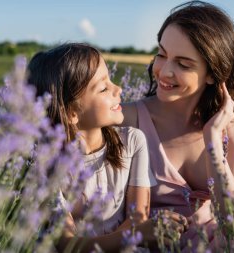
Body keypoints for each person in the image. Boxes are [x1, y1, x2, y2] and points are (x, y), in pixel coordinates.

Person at [121, 0, 234, 250]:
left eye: (183, 64)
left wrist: (213, 139)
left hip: (220, 241)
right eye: (161, 54)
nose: (164, 71)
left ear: (212, 74)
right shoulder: (128, 118)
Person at [27, 43, 187, 252]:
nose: (118, 89)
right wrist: (131, 236)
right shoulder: (46, 163)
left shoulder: (132, 142)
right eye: (103, 88)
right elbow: (66, 243)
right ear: (71, 113)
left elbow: (137, 217)